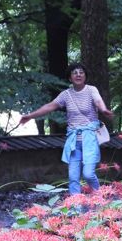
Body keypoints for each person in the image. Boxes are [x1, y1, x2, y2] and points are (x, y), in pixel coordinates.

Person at [18, 63, 113, 195]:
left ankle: (99, 199)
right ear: (70, 78)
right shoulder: (66, 95)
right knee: (73, 178)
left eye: (81, 72)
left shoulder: (91, 90)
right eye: (75, 73)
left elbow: (98, 101)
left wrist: (103, 109)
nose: (78, 75)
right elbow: (50, 106)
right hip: (73, 140)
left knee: (88, 174)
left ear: (85, 76)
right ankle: (76, 208)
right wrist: (30, 115)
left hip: (89, 138)